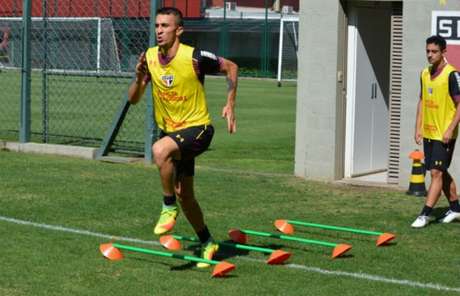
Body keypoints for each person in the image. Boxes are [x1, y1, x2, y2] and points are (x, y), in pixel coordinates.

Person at [128, 7, 238, 265]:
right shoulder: (149, 57)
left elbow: (231, 67)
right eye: (157, 26)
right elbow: (133, 99)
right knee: (186, 195)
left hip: (199, 130)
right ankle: (208, 242)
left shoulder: (195, 57)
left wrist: (230, 103)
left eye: (165, 26)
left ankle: (168, 207)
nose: (159, 31)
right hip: (174, 134)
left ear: (179, 30)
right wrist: (138, 76)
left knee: (159, 150)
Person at [411, 35, 460, 228]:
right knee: (440, 171)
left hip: (444, 135)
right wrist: (417, 127)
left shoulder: (452, 74)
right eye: (427, 51)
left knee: (436, 173)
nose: (430, 55)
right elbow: (422, 101)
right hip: (429, 133)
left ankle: (425, 214)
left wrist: (450, 129)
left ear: (443, 52)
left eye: (434, 51)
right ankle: (456, 207)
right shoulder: (424, 73)